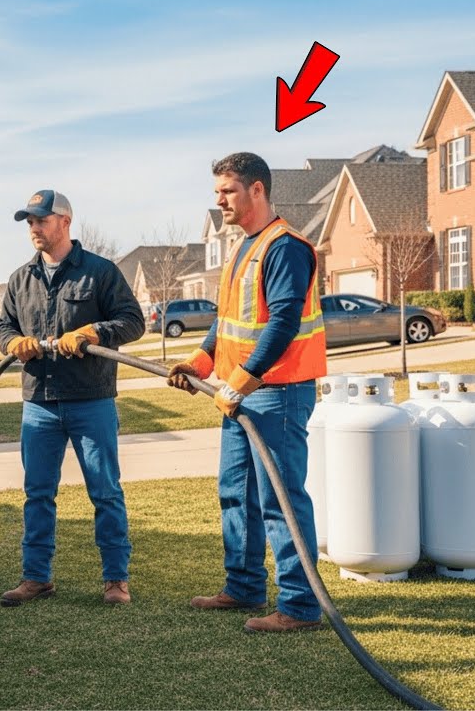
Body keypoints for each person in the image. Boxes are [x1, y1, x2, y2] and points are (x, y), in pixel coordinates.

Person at [166, 152, 327, 633]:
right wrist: (200, 361)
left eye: (227, 191)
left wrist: (240, 381)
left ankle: (299, 606)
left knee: (281, 500)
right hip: (243, 394)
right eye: (217, 193)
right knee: (235, 491)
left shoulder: (284, 247)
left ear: (257, 189)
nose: (220, 202)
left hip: (277, 393)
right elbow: (228, 321)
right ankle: (244, 587)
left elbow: (283, 323)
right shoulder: (242, 247)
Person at [0, 189, 145, 607]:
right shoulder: (20, 279)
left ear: (65, 222)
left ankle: (116, 580)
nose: (34, 229)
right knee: (37, 493)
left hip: (90, 400)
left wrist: (95, 332)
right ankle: (36, 577)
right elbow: (4, 327)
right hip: (39, 404)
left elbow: (133, 322)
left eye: (41, 220)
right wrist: (13, 344)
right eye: (29, 222)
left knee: (105, 492)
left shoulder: (99, 272)